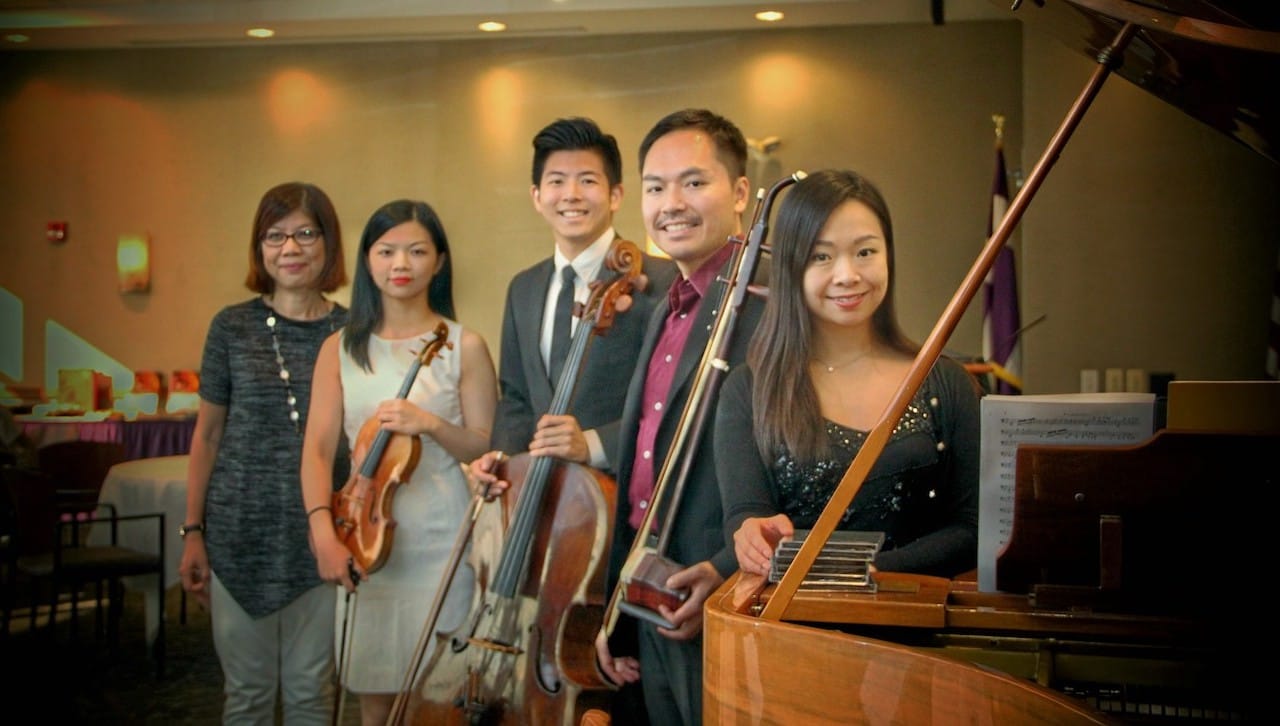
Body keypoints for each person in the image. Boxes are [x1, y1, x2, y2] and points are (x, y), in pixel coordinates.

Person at [469, 115, 675, 726]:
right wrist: (503, 459)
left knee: (618, 684)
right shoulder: (524, 287)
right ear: (537, 197)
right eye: (556, 181)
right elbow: (514, 398)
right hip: (541, 516)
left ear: (616, 195)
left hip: (622, 518)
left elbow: (677, 403)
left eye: (588, 180)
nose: (571, 194)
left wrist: (595, 443)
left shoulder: (659, 283)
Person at [714, 169, 980, 584]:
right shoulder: (749, 390)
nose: (847, 275)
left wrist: (868, 573)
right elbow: (747, 513)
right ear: (791, 268)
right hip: (794, 628)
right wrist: (750, 534)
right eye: (821, 256)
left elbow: (972, 527)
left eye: (865, 252)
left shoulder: (946, 382)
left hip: (920, 626)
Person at [299, 198, 498, 726]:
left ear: (439, 260)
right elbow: (318, 449)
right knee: (374, 695)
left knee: (441, 697)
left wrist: (430, 424)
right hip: (361, 536)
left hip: (444, 539)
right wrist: (322, 531)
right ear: (367, 261)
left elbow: (484, 446)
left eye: (416, 251)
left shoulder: (465, 345)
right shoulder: (340, 348)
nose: (400, 264)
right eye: (386, 251)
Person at [594, 108, 756, 726]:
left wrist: (723, 568)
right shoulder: (669, 304)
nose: (672, 203)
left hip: (715, 588)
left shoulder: (764, 299)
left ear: (740, 192)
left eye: (694, 182)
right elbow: (645, 468)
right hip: (652, 582)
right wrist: (616, 604)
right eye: (656, 187)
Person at [179, 181, 350, 724]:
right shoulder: (230, 327)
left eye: (305, 233)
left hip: (321, 536)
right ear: (259, 248)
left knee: (311, 694)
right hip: (238, 533)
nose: (290, 248)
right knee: (247, 695)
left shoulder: (352, 332)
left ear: (328, 243)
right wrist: (193, 533)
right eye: (274, 236)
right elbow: (207, 436)